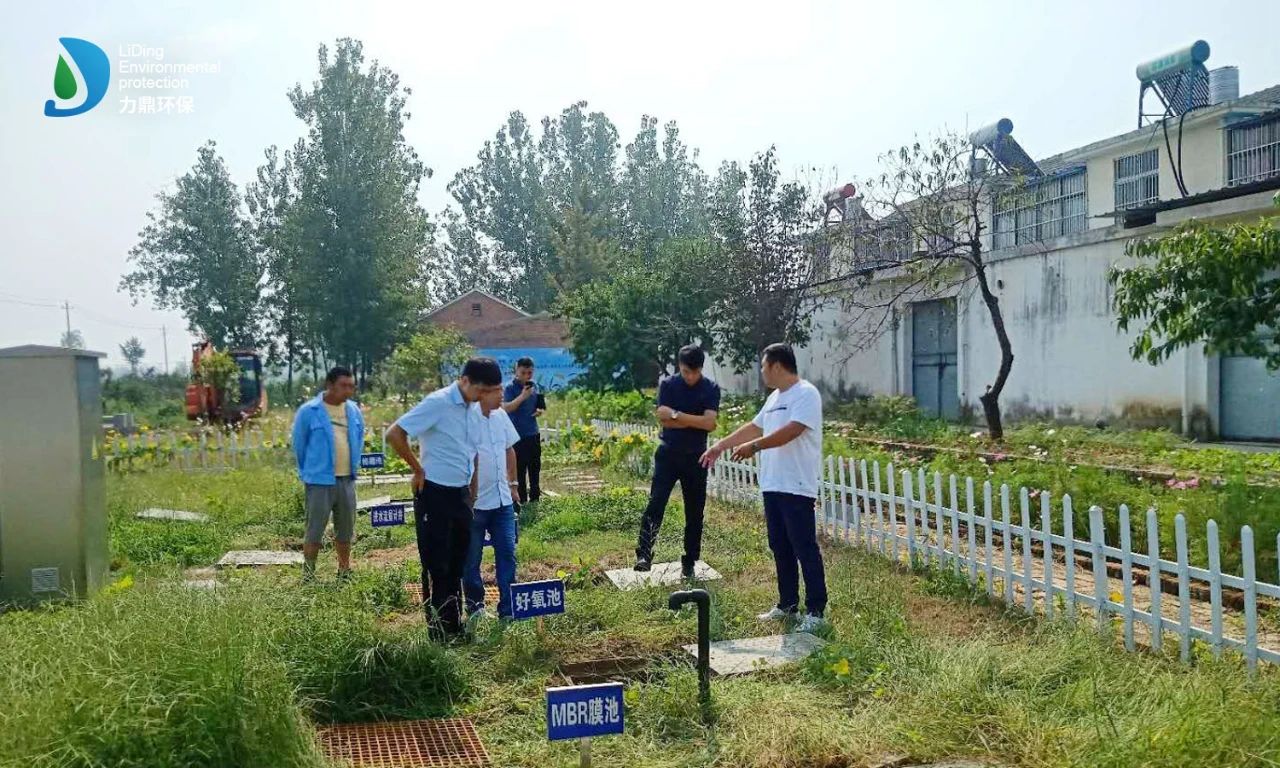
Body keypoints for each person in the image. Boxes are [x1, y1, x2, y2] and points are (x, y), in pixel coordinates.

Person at [700, 343, 828, 633]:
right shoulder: (773, 398)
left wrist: (755, 447)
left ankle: (816, 611)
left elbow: (793, 430)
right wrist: (721, 445)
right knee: (780, 546)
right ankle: (788, 605)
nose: (762, 372)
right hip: (772, 484)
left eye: (763, 366)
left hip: (796, 485)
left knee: (803, 547)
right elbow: (755, 427)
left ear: (777, 366)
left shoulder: (806, 393)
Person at [386, 357, 503, 640]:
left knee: (457, 562)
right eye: (481, 391)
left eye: (489, 392)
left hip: (461, 495)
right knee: (436, 563)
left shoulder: (472, 409)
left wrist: (472, 492)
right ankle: (438, 632)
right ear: (465, 381)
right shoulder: (438, 403)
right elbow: (395, 433)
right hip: (434, 492)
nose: (483, 397)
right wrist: (417, 469)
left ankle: (454, 626)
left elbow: (472, 452)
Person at [634, 345, 720, 578]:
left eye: (694, 372)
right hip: (669, 454)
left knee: (695, 510)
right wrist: (695, 420)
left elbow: (710, 424)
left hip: (696, 456)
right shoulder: (669, 385)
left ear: (701, 368)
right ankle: (644, 553)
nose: (690, 376)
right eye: (685, 372)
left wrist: (678, 416)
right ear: (679, 367)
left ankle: (690, 559)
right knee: (656, 503)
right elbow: (662, 416)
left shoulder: (710, 388)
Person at [290, 366, 365, 583]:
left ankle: (344, 571)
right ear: (330, 385)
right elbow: (299, 446)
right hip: (319, 482)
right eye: (343, 386)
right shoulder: (308, 411)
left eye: (351, 386)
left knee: (346, 530)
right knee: (314, 530)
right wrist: (309, 473)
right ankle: (309, 574)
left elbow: (358, 438)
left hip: (346, 480)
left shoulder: (353, 411)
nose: (348, 391)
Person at [463, 382, 522, 622]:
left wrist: (514, 485)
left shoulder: (501, 417)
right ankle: (475, 607)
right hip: (475, 505)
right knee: (471, 559)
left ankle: (507, 610)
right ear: (482, 392)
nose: (502, 395)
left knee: (507, 554)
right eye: (497, 390)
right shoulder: (467, 420)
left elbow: (510, 450)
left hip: (503, 502)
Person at [502, 357, 545, 504]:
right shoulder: (509, 388)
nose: (527, 375)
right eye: (523, 372)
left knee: (534, 467)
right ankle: (520, 500)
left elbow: (539, 404)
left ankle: (535, 499)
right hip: (516, 436)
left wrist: (539, 410)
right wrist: (522, 396)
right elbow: (506, 408)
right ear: (516, 371)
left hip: (533, 433)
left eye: (530, 372)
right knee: (519, 470)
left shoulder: (534, 386)